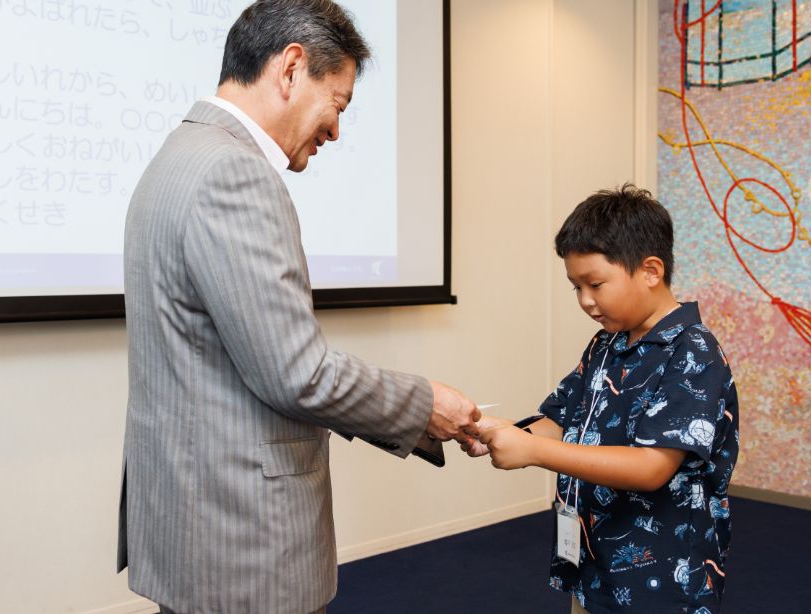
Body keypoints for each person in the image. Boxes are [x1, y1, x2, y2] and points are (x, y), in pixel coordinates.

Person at [116, 1, 481, 611]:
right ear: (291, 69)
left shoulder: (176, 159)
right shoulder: (236, 175)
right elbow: (298, 374)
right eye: (336, 104)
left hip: (190, 521)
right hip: (241, 539)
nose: (336, 131)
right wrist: (424, 404)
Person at [470, 184, 739, 614]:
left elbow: (652, 468)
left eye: (595, 284)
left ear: (650, 270)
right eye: (575, 287)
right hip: (596, 560)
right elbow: (560, 417)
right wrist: (503, 433)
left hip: (661, 576)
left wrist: (534, 451)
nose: (585, 301)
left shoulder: (694, 351)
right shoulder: (606, 344)